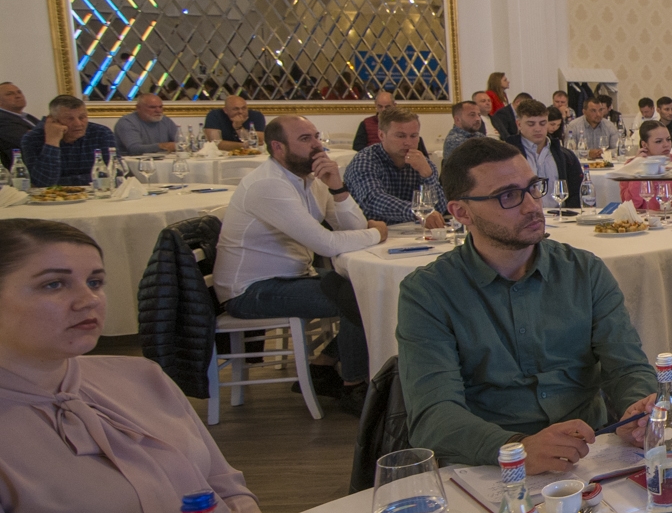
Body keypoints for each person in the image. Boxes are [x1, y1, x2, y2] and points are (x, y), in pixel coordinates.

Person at [0, 219, 266, 513]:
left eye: (95, 281)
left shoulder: (141, 376)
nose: (88, 300)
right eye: (53, 285)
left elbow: (226, 489)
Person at [398, 138, 659, 471]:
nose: (533, 206)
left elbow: (627, 366)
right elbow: (433, 415)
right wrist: (516, 448)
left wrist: (635, 411)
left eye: (533, 188)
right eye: (508, 196)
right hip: (488, 466)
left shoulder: (584, 271)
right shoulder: (429, 292)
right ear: (461, 212)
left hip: (589, 454)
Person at [214, 117, 385, 410]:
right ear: (278, 147)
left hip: (293, 276)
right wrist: (377, 233)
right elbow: (325, 244)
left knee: (371, 288)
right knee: (357, 297)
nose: (317, 145)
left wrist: (337, 186)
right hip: (251, 290)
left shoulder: (312, 180)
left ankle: (323, 366)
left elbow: (351, 228)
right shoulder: (269, 184)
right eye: (305, 139)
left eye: (316, 136)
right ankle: (354, 387)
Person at [343, 108, 443, 226]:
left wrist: (427, 175)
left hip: (412, 231)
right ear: (381, 135)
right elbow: (374, 200)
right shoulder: (365, 160)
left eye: (413, 136)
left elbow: (440, 209)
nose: (408, 142)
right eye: (400, 136)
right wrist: (418, 211)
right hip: (374, 231)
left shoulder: (422, 163)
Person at [19, 94, 118, 188]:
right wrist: (52, 142)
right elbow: (43, 184)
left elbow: (114, 176)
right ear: (52, 120)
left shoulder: (101, 133)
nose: (78, 124)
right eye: (70, 119)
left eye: (82, 117)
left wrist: (61, 181)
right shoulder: (32, 139)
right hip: (53, 198)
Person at [511, 96, 583, 205]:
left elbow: (577, 193)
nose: (538, 129)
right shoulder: (507, 156)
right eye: (531, 124)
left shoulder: (565, 156)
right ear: (519, 124)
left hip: (559, 213)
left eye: (543, 123)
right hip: (523, 213)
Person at [113, 93, 179, 156]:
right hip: (132, 161)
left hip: (164, 160)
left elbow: (180, 142)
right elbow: (134, 149)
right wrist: (162, 146)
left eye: (160, 107)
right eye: (152, 107)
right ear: (138, 108)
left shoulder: (165, 120)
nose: (158, 111)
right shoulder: (127, 122)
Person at [441, 98, 490, 170]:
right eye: (472, 115)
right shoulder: (454, 140)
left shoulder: (478, 135)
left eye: (479, 115)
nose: (478, 119)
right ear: (457, 120)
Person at [0, 81, 36, 168]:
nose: (18, 96)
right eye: (9, 94)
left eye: (19, 92)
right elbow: (31, 142)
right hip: (24, 169)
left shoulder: (27, 117)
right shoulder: (2, 119)